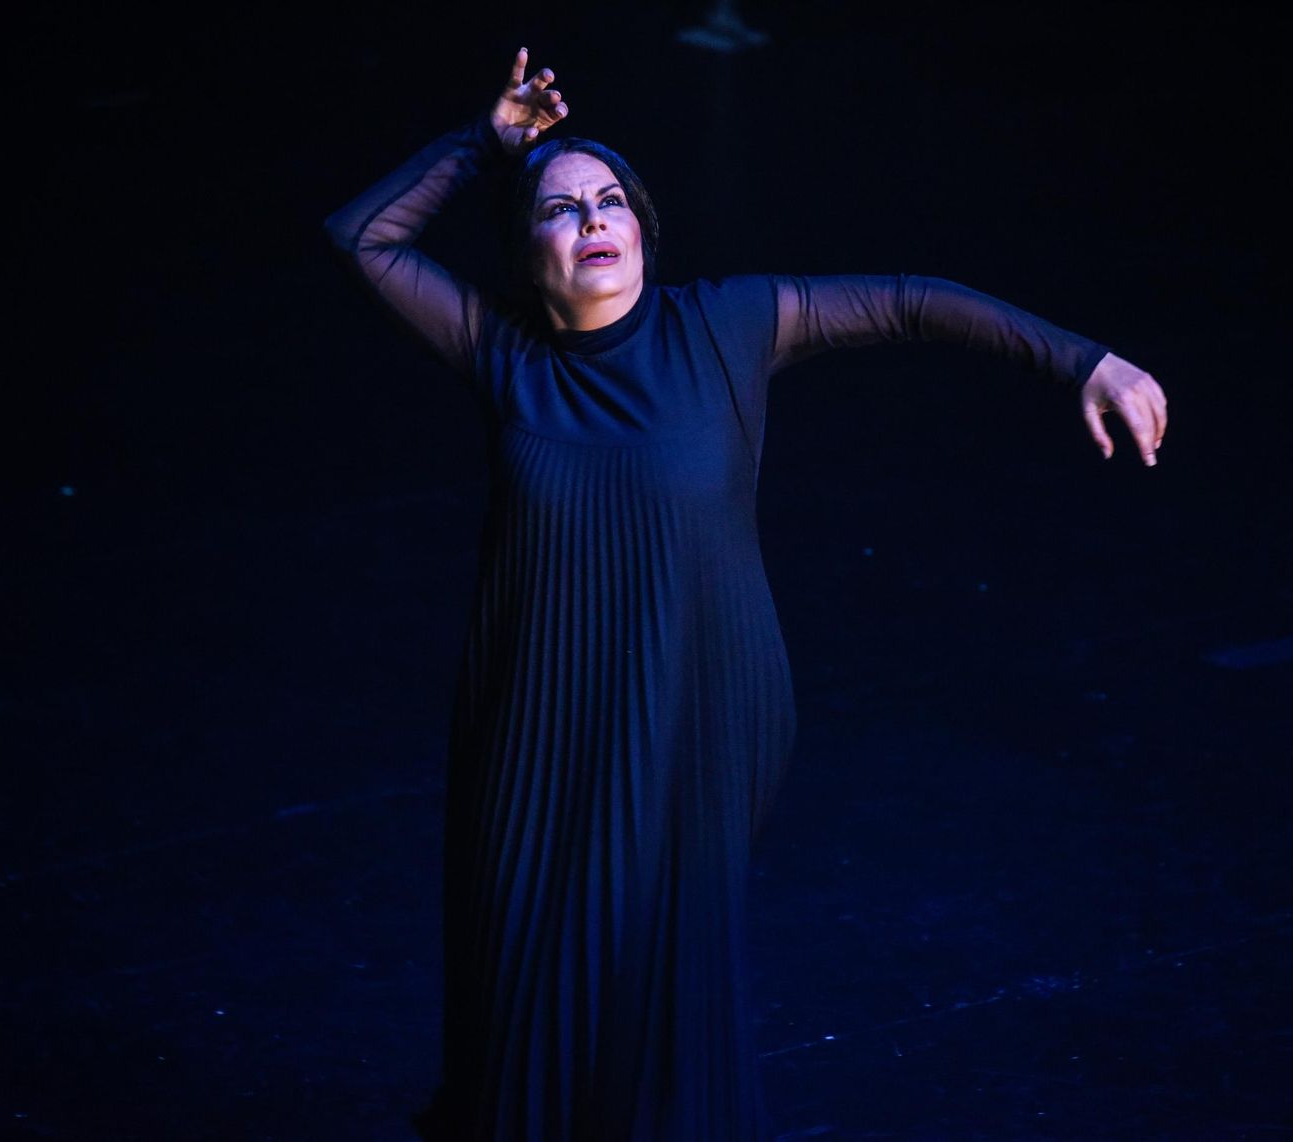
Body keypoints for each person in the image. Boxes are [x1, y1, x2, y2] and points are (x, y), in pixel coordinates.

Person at [323, 46, 1168, 1142]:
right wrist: (489, 143)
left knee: (668, 967)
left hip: (702, 709)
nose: (591, 218)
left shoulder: (724, 327)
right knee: (529, 973)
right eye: (558, 208)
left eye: (611, 198)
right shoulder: (502, 354)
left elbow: (912, 301)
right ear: (526, 254)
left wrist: (1081, 360)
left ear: (644, 226)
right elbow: (361, 237)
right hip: (537, 730)